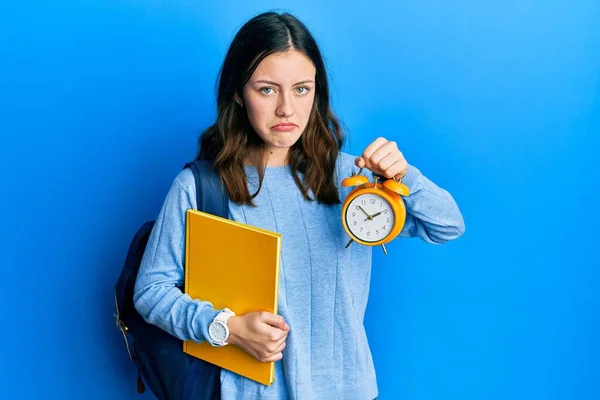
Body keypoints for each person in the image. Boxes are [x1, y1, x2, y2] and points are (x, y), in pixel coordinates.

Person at [133, 11, 465, 400]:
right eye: (268, 89)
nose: (287, 109)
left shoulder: (351, 179)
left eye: (302, 89)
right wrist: (227, 327)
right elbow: (150, 291)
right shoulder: (201, 187)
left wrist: (405, 175)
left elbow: (447, 225)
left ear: (317, 92)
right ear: (238, 94)